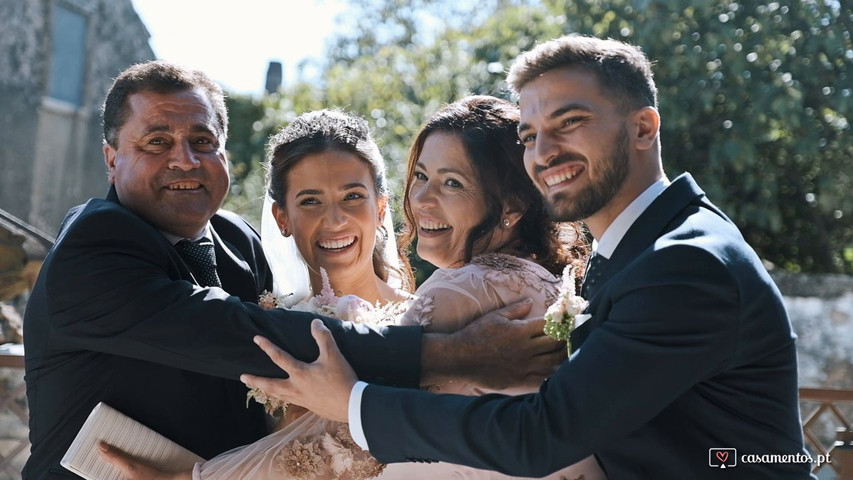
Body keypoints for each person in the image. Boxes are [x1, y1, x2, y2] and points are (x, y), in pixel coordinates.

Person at [238, 35, 814, 479]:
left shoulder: (686, 263)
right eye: (531, 133)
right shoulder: (629, 255)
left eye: (570, 123)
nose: (544, 152)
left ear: (643, 128)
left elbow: (546, 433)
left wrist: (353, 402)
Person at [22, 61, 564, 479]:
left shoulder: (235, 241)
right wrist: (456, 352)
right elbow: (236, 332)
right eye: (157, 142)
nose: (185, 160)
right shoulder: (93, 245)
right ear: (112, 156)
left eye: (203, 142)